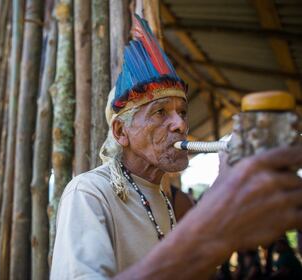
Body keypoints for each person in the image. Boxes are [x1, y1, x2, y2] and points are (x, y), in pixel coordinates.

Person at [50, 15, 302, 279]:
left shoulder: (159, 196)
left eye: (182, 112)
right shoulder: (89, 193)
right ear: (121, 132)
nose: (180, 124)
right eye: (160, 112)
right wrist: (210, 232)